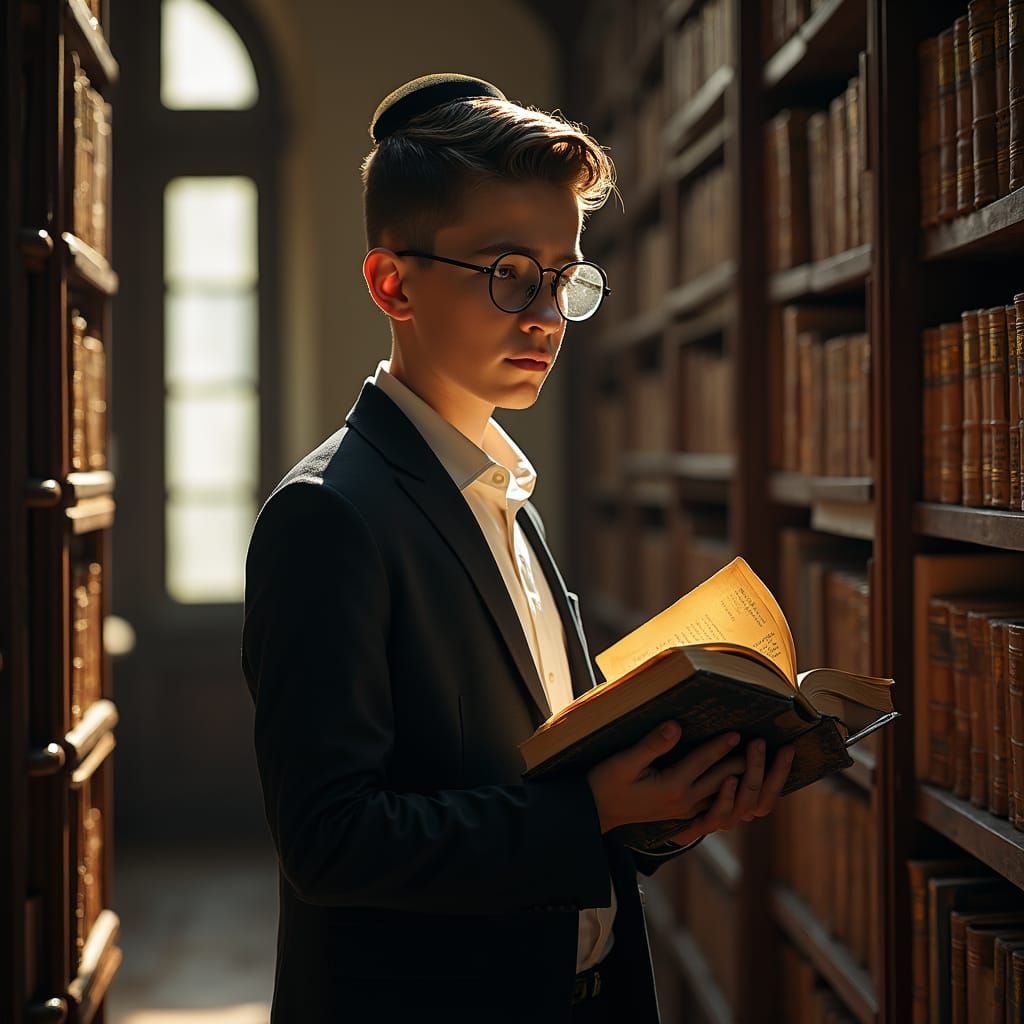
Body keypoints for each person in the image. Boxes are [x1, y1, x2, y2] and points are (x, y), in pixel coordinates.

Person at [241, 73, 793, 1023]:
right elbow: (328, 840)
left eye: (563, 277)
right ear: (391, 282)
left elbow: (550, 797)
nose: (544, 315)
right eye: (508, 273)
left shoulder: (506, 495)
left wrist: (668, 807)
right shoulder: (328, 516)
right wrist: (594, 814)